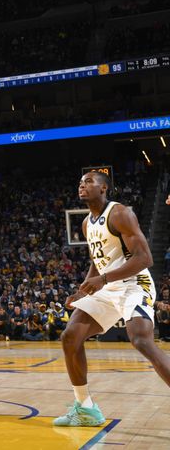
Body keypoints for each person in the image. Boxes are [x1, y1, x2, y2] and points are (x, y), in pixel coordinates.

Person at [55, 171, 169, 427]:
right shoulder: (86, 223)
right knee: (70, 336)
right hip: (108, 286)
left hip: (133, 283)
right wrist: (83, 290)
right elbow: (99, 261)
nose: (81, 185)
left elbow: (145, 259)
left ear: (104, 187)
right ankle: (85, 408)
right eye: (80, 182)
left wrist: (103, 280)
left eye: (88, 182)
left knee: (141, 340)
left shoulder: (120, 213)